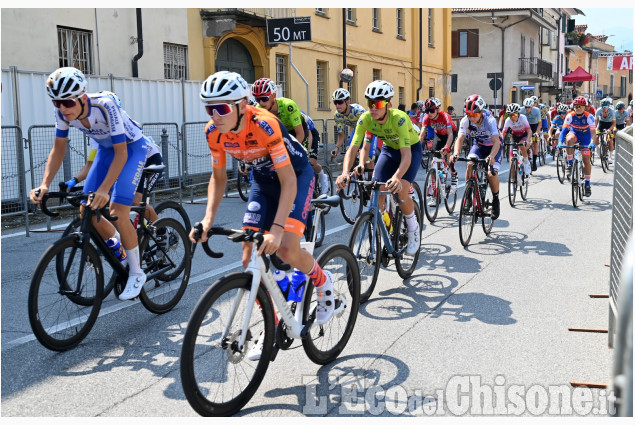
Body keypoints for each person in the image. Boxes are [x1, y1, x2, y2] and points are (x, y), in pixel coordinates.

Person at [192, 71, 334, 332]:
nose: (215, 116)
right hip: (263, 180)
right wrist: (207, 220)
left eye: (222, 108)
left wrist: (278, 231)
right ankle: (275, 316)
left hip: (295, 175)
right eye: (209, 108)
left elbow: (289, 181)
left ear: (242, 105)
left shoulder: (264, 124)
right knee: (249, 254)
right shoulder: (213, 132)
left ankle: (324, 283)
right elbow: (218, 177)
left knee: (286, 249)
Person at [30, 67, 148, 300]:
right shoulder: (63, 113)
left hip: (131, 149)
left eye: (67, 102)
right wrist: (44, 184)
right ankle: (119, 246)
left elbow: (122, 153)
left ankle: (136, 272)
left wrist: (105, 189)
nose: (63, 108)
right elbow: (59, 148)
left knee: (117, 211)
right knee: (86, 207)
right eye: (56, 103)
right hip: (105, 151)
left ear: (83, 97)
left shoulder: (105, 105)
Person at [335, 80, 422, 256]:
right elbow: (354, 147)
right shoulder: (366, 119)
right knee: (377, 188)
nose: (373, 107)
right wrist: (345, 172)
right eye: (370, 103)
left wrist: (397, 177)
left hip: (410, 150)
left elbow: (406, 155)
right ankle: (387, 227)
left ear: (388, 104)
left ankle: (413, 228)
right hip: (389, 150)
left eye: (378, 103)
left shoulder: (399, 119)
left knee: (401, 190)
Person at [62, 91, 164, 224]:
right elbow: (91, 164)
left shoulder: (122, 125)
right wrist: (74, 180)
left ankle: (162, 231)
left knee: (136, 200)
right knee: (106, 197)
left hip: (150, 159)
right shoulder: (98, 134)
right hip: (125, 161)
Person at [251, 78, 330, 192]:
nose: (261, 103)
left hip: (302, 131)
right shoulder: (259, 110)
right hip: (284, 133)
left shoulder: (288, 105)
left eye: (264, 98)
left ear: (273, 95)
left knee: (306, 162)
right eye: (257, 99)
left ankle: (322, 177)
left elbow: (300, 134)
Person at [449, 94, 502, 220]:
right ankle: (468, 195)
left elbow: (497, 142)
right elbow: (460, 138)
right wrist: (456, 153)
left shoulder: (490, 120)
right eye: (469, 115)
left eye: (474, 115)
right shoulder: (465, 120)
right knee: (470, 164)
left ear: (481, 112)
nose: (471, 118)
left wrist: (492, 156)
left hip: (493, 147)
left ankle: (495, 200)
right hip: (479, 145)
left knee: (490, 174)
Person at [558, 96, 597, 196]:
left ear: (584, 107)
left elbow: (593, 133)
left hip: (585, 136)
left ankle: (587, 184)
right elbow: (563, 131)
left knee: (586, 160)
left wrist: (592, 143)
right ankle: (570, 163)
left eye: (581, 106)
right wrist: (559, 142)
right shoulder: (569, 116)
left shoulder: (589, 117)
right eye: (576, 106)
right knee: (569, 139)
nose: (578, 108)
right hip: (574, 133)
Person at [418, 97, 458, 192]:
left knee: (447, 155)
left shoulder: (444, 116)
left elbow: (450, 134)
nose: (429, 113)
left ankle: (453, 174)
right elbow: (422, 134)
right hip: (439, 135)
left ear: (437, 109)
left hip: (450, 134)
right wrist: (417, 148)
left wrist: (447, 147)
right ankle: (435, 191)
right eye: (427, 111)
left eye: (432, 110)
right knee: (434, 161)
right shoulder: (426, 118)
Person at [330, 88, 366, 159]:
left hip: (368, 131)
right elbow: (341, 134)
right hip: (357, 131)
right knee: (349, 152)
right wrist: (336, 148)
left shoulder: (358, 111)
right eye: (335, 102)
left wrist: (364, 148)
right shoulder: (337, 115)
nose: (337, 105)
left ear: (347, 102)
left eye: (340, 102)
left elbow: (368, 128)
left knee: (367, 156)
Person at [501, 103, 533, 176]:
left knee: (521, 145)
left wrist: (528, 140)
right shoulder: (508, 120)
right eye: (510, 115)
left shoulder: (523, 118)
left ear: (518, 114)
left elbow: (529, 131)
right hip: (515, 136)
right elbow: (504, 132)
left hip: (524, 135)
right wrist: (501, 141)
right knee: (511, 160)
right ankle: (512, 182)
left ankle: (526, 161)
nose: (512, 117)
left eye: (514, 115)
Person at [520, 97, 542, 172]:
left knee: (535, 143)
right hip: (525, 126)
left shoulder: (537, 110)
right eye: (525, 107)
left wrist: (537, 132)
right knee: (523, 142)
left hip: (534, 126)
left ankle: (534, 162)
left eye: (528, 107)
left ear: (532, 106)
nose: (527, 109)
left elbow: (540, 123)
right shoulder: (521, 110)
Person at [595, 97, 616, 164]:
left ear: (609, 106)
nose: (605, 108)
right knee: (596, 137)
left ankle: (610, 156)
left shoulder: (612, 111)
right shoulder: (598, 111)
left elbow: (614, 123)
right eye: (603, 107)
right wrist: (595, 129)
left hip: (610, 124)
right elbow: (596, 122)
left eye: (606, 107)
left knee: (610, 140)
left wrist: (610, 129)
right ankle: (598, 149)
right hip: (601, 123)